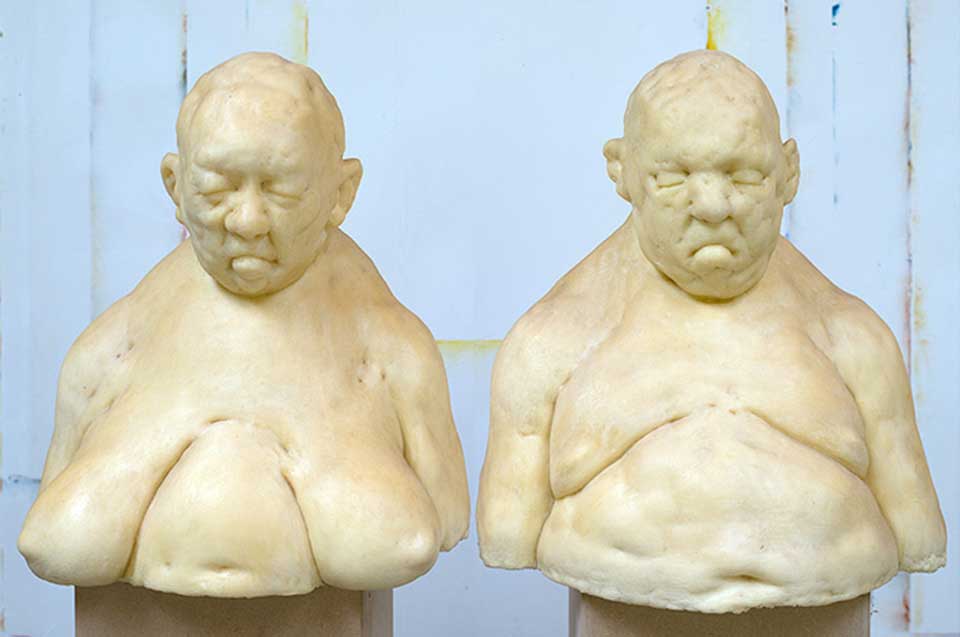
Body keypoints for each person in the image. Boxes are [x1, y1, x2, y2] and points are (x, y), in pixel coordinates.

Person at [477, 49, 945, 614]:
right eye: (673, 178)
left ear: (789, 173)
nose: (713, 206)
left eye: (744, 175)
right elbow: (507, 532)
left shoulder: (853, 339)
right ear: (622, 171)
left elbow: (918, 530)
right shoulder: (551, 343)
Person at [20, 52, 469, 597]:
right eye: (217, 190)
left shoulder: (392, 350)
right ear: (175, 187)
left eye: (280, 189)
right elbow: (53, 542)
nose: (247, 221)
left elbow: (432, 527)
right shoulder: (111, 352)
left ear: (341, 192)